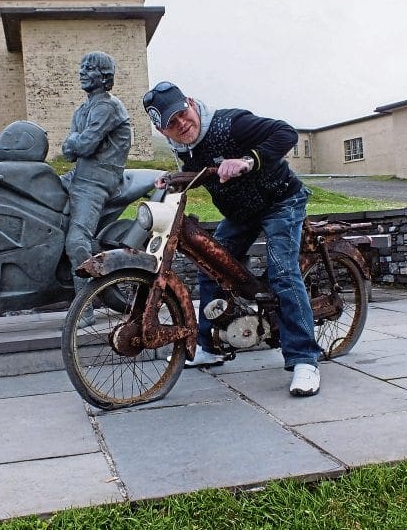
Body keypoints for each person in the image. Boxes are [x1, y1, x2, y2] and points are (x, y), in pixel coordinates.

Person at [143, 81, 322, 396]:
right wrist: (175, 179)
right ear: (162, 131)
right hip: (242, 213)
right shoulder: (185, 146)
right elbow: (201, 171)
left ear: (190, 102)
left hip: (280, 201)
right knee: (209, 262)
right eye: (171, 123)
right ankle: (209, 346)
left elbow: (286, 133)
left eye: (182, 113)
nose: (181, 123)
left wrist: (248, 160)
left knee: (283, 271)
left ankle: (305, 359)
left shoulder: (231, 123)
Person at [61, 51, 131, 326]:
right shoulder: (83, 109)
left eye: (88, 68)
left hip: (97, 179)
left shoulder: (107, 107)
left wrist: (76, 143)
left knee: (76, 240)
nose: (82, 72)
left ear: (104, 76)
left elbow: (83, 145)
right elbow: (69, 150)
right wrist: (75, 144)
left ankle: (86, 308)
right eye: (81, 67)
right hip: (79, 174)